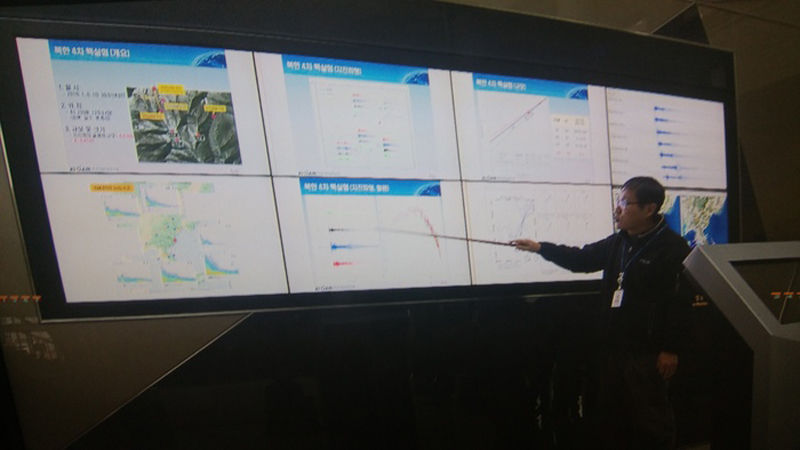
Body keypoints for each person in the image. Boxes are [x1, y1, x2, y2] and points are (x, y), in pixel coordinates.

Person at [512, 176, 691, 450]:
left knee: (650, 418)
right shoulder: (619, 242)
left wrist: (670, 348)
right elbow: (581, 259)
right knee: (615, 416)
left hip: (647, 352)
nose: (617, 209)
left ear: (649, 209)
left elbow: (678, 302)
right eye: (618, 201)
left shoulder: (672, 248)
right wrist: (540, 248)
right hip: (613, 348)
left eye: (625, 203)